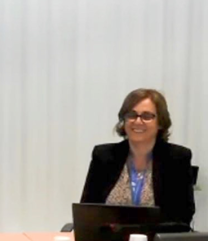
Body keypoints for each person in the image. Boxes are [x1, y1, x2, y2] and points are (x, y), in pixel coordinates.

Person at [80, 88, 195, 227]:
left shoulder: (177, 159)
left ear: (160, 122)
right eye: (132, 115)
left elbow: (183, 217)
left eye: (147, 116)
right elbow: (87, 211)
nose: (138, 121)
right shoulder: (104, 156)